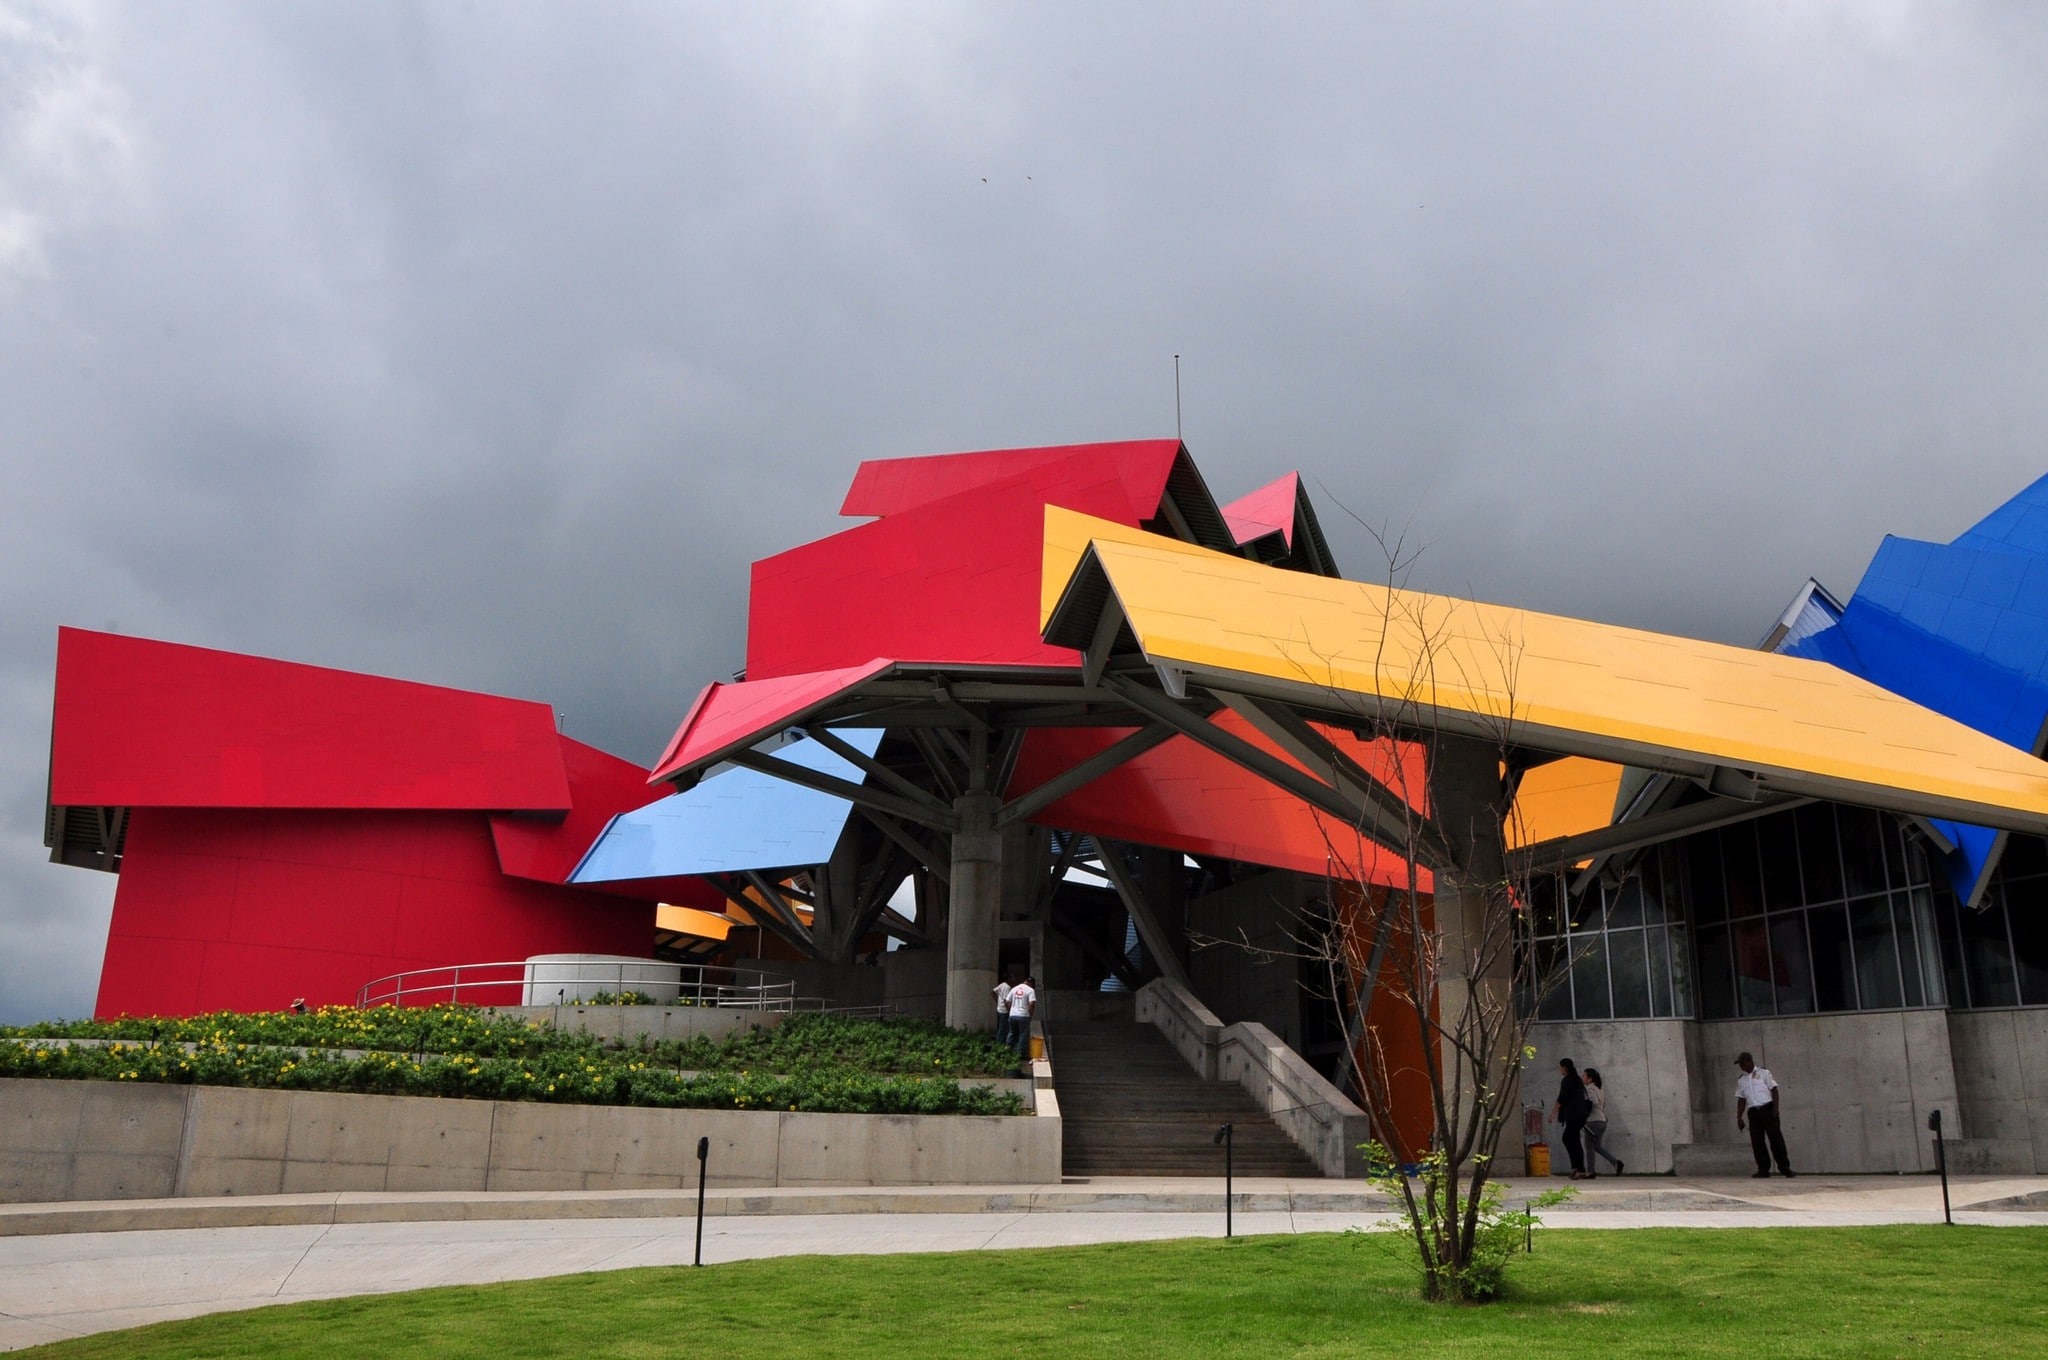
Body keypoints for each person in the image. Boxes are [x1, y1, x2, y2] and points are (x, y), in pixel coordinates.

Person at [1734, 1051, 1794, 1178]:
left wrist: (1775, 1109)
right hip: (1753, 1113)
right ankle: (1763, 1169)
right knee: (1757, 1142)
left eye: (1741, 1063)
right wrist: (1739, 1117)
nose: (1740, 1067)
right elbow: (1741, 1099)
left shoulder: (1764, 1073)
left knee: (1776, 1140)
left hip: (1767, 1109)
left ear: (1749, 1061)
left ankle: (1784, 1168)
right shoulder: (1742, 1080)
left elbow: (1774, 1090)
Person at [1551, 1058, 1591, 1178]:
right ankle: (1579, 1168)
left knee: (1568, 1139)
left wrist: (1553, 1114)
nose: (1560, 1070)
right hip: (1580, 1115)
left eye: (1561, 1067)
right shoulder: (1577, 1079)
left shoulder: (1567, 1080)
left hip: (1573, 1116)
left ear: (1564, 1068)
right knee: (1574, 1140)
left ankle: (1577, 1168)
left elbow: (1561, 1098)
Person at [1580, 1067, 1624, 1178]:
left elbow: (1593, 1101)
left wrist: (1584, 1108)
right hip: (1602, 1120)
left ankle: (1590, 1171)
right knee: (1597, 1146)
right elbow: (1603, 1104)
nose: (1582, 1078)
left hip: (1592, 1121)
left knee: (1589, 1146)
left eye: (1584, 1076)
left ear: (1590, 1079)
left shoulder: (1590, 1089)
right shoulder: (1600, 1089)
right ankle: (1615, 1162)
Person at [1005, 975, 1038, 1060]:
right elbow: (1032, 1004)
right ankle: (1019, 1054)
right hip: (1023, 1015)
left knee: (1012, 1032)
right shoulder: (1030, 990)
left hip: (1013, 1015)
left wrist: (1011, 1010)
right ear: (1031, 983)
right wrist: (1030, 1015)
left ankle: (1007, 1050)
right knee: (1023, 1034)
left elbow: (1007, 1001)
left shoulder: (1014, 988)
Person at [993, 974, 1014, 1050]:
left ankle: (1000, 1042)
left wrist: (998, 1001)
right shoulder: (1007, 987)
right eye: (1011, 977)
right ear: (1009, 978)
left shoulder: (1001, 985)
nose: (1013, 979)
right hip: (1004, 1010)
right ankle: (999, 1043)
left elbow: (993, 992)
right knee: (1003, 1027)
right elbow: (1006, 1000)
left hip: (999, 1009)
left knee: (1001, 1026)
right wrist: (1009, 1010)